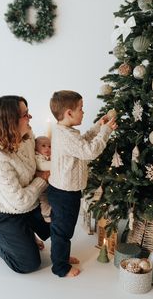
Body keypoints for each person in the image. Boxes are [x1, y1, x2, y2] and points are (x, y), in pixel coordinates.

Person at [0, 95, 50, 273]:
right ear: (10, 121)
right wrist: (42, 178)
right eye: (25, 114)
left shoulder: (27, 136)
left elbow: (36, 164)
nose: (29, 118)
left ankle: (23, 232)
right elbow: (19, 202)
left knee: (58, 224)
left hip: (25, 206)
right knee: (28, 264)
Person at [48, 90, 118, 278]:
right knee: (63, 230)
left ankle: (60, 256)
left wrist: (98, 127)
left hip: (62, 190)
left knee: (62, 228)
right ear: (69, 113)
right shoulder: (66, 136)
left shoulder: (65, 131)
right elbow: (89, 151)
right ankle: (60, 267)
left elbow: (83, 141)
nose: (84, 112)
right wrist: (106, 132)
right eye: (81, 108)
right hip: (64, 192)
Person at [35, 136, 51, 223]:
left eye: (49, 146)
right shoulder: (37, 157)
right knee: (44, 199)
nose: (47, 148)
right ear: (36, 148)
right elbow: (42, 166)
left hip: (48, 184)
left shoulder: (48, 157)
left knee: (50, 198)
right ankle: (46, 214)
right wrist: (58, 163)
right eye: (43, 146)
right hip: (41, 184)